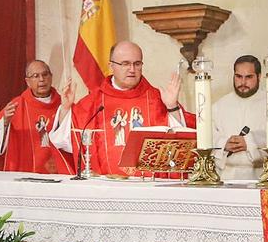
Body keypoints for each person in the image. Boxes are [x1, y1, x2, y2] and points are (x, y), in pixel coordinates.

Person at [49, 40, 184, 167]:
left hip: (147, 187)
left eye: (137, 64)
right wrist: (66, 109)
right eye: (125, 63)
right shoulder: (93, 102)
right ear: (111, 66)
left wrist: (172, 107)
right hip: (105, 187)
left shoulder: (156, 98)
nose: (132, 69)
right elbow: (65, 141)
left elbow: (180, 145)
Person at [212, 55, 268, 182]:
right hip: (228, 177)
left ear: (259, 76)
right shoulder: (220, 105)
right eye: (238, 76)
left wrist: (251, 142)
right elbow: (207, 136)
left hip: (266, 176)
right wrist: (224, 144)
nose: (243, 83)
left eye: (249, 77)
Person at [0, 60, 70, 174]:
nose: (41, 79)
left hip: (59, 173)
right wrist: (5, 122)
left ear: (51, 77)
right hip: (26, 173)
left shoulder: (64, 103)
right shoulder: (17, 105)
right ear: (27, 81)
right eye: (36, 76)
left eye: (45, 74)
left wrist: (66, 109)